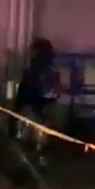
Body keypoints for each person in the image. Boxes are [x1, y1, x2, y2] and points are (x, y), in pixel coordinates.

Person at [15, 38, 61, 169]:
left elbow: (24, 91)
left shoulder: (40, 72)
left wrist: (19, 108)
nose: (30, 53)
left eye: (33, 50)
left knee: (34, 141)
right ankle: (33, 164)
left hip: (35, 111)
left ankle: (33, 165)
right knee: (34, 141)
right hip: (35, 111)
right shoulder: (44, 71)